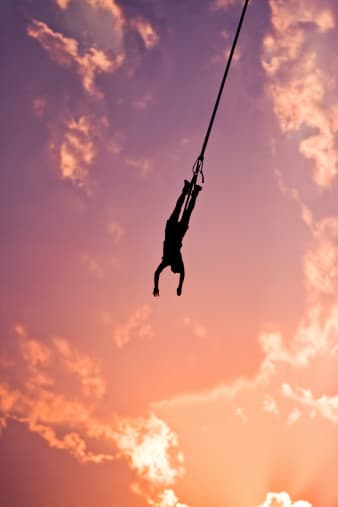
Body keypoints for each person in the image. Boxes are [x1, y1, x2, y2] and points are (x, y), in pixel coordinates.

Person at [153, 179, 202, 297]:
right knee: (186, 211)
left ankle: (188, 190)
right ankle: (193, 192)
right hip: (178, 233)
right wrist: (179, 287)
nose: (176, 269)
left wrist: (156, 286)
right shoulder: (177, 262)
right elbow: (182, 273)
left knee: (180, 208)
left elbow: (157, 273)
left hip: (172, 231)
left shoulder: (167, 261)